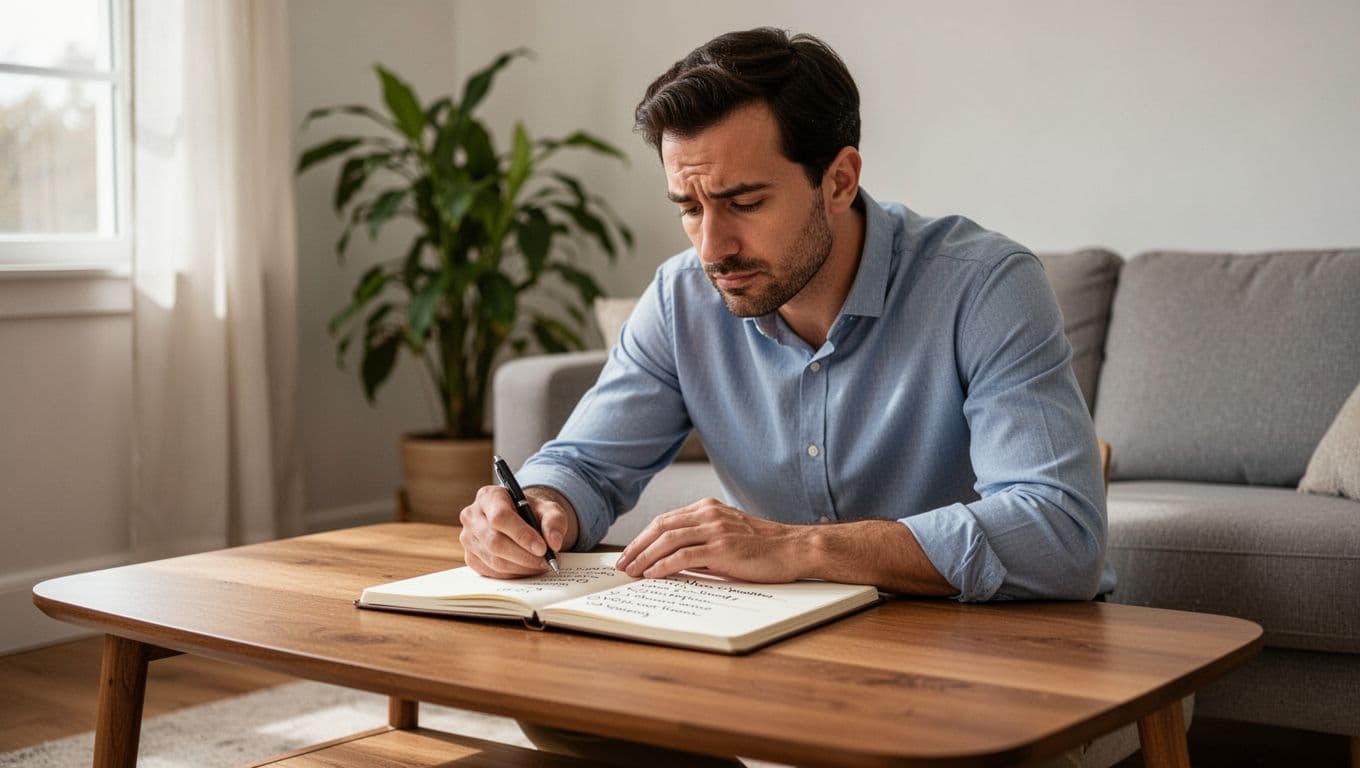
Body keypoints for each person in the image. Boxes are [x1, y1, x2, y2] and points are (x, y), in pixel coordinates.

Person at [460, 26, 1114, 605]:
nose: (711, 248)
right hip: (783, 644)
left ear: (839, 180)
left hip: (984, 646)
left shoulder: (985, 286)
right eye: (689, 208)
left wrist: (802, 549)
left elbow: (1060, 531)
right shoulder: (682, 297)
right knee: (563, 719)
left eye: (743, 201)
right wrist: (538, 509)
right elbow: (587, 466)